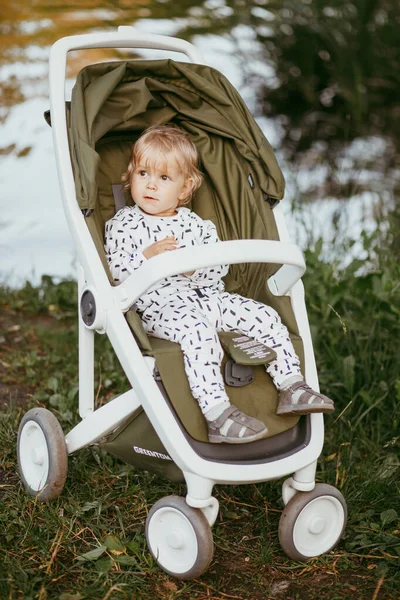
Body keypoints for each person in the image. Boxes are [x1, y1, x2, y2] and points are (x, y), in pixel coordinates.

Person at [104, 125, 334, 444]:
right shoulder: (125, 223)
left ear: (185, 189)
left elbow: (218, 271)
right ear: (131, 176)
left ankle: (291, 384)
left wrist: (196, 268)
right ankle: (217, 414)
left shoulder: (197, 225)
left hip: (207, 297)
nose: (150, 185)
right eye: (143, 173)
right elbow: (115, 271)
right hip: (161, 306)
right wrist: (147, 257)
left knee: (264, 316)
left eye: (164, 178)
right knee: (199, 333)